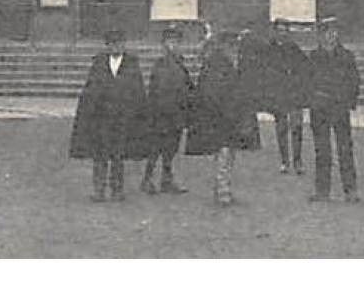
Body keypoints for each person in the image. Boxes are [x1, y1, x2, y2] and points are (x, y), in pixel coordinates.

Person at [68, 30, 147, 202]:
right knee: (100, 156)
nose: (116, 47)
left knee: (118, 156)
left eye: (119, 43)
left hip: (122, 118)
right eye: (112, 44)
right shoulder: (99, 63)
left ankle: (117, 190)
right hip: (102, 118)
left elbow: (138, 90)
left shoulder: (132, 63)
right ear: (107, 46)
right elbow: (90, 89)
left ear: (124, 45)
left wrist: (136, 113)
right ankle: (99, 190)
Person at [184, 26, 259, 207]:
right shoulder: (217, 63)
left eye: (235, 45)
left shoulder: (230, 62)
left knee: (228, 154)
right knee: (224, 154)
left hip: (231, 115)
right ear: (224, 45)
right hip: (220, 116)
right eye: (231, 44)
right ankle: (222, 191)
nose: (233, 48)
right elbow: (211, 92)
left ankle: (223, 189)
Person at [306, 17, 360, 203]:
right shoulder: (313, 57)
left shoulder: (346, 56)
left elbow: (354, 81)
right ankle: (322, 191)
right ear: (320, 36)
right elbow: (307, 82)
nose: (332, 36)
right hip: (320, 109)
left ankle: (350, 190)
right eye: (328, 32)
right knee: (322, 151)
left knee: (345, 149)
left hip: (339, 108)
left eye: (334, 32)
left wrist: (348, 101)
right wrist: (313, 99)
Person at [141, 25, 193, 195]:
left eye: (176, 42)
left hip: (177, 114)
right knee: (155, 149)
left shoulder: (180, 64)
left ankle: (166, 180)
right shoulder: (160, 65)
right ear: (163, 45)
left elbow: (186, 87)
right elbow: (157, 91)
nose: (174, 45)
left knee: (171, 149)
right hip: (161, 115)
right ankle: (147, 179)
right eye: (170, 42)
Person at [258, 19, 308, 174]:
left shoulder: (294, 48)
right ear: (275, 32)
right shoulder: (269, 49)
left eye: (285, 31)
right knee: (281, 128)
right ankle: (285, 161)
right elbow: (264, 70)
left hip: (294, 93)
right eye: (279, 30)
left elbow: (304, 68)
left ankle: (298, 161)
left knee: (296, 127)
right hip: (278, 94)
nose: (282, 34)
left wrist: (298, 81)